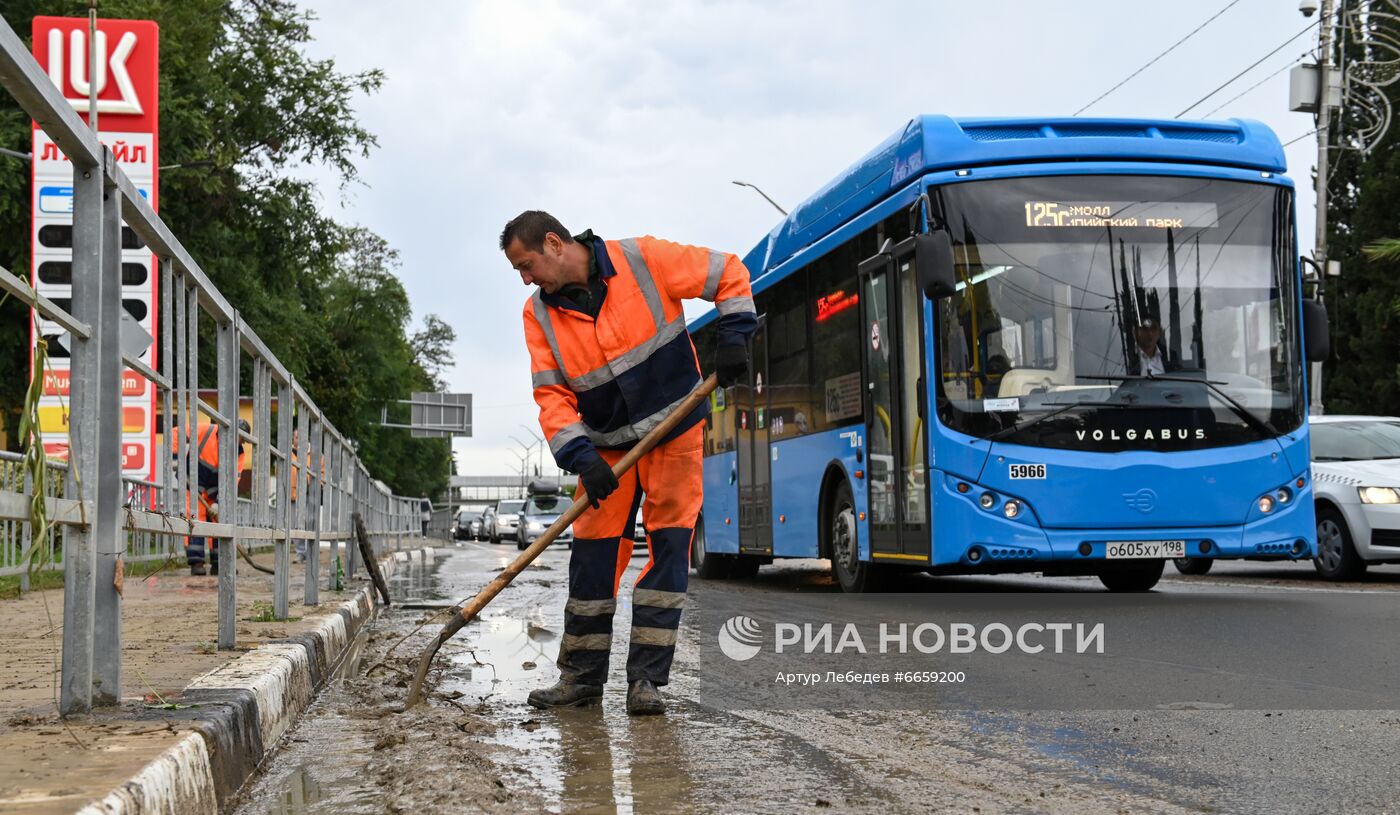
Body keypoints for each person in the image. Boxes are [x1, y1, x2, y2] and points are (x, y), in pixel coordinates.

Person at [503, 210, 756, 715]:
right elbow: (551, 394)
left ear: (554, 243)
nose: (527, 279)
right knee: (593, 561)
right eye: (519, 272)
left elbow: (727, 271)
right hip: (606, 449)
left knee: (667, 555)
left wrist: (733, 336)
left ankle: (646, 681)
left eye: (526, 265)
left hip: (675, 431)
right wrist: (580, 456)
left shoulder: (642, 259)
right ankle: (580, 679)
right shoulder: (539, 315)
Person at [171, 416, 249, 575]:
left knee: (219, 523)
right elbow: (176, 432)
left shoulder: (239, 454)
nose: (238, 443)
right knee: (194, 520)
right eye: (238, 438)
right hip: (192, 485)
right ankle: (196, 563)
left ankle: (219, 564)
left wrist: (219, 503)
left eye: (241, 441)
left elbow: (232, 481)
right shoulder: (206, 431)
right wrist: (174, 459)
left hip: (215, 491)